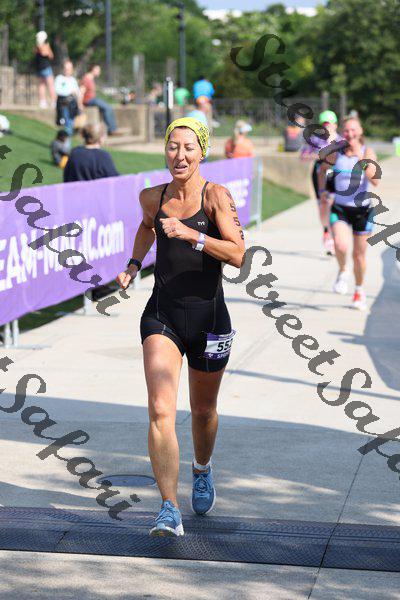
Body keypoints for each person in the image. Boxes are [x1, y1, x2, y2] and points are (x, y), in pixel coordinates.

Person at [115, 117, 245, 537]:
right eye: (173, 146)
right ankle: (169, 508)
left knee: (203, 411)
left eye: (189, 147)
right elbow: (146, 227)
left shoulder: (216, 196)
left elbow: (238, 255)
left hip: (209, 318)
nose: (180, 155)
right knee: (160, 409)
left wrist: (192, 235)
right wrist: (133, 264)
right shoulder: (152, 197)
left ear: (202, 151)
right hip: (163, 315)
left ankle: (202, 468)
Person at [318, 116, 380, 310]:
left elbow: (375, 181)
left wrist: (360, 157)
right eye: (347, 130)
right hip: (340, 208)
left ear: (360, 131)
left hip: (363, 211)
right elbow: (321, 169)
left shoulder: (367, 151)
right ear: (342, 132)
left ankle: (359, 290)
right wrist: (323, 191)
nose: (350, 134)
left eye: (354, 130)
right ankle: (343, 270)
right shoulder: (336, 152)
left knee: (359, 256)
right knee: (340, 245)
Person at [301, 110, 342, 255]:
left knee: (334, 204)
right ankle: (326, 230)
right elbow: (303, 156)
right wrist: (319, 155)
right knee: (323, 204)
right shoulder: (316, 140)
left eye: (329, 124)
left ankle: (333, 235)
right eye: (324, 124)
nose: (327, 127)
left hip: (336, 174)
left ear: (335, 125)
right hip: (319, 174)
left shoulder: (341, 140)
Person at [80, 64, 119, 136]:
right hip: (89, 100)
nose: (99, 71)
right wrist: (80, 104)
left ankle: (112, 128)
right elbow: (81, 91)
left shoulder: (91, 79)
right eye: (98, 69)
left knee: (109, 107)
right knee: (107, 108)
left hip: (92, 99)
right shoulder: (86, 78)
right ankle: (111, 130)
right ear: (93, 69)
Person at [54, 59, 82, 137]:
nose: (67, 71)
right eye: (66, 69)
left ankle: (67, 140)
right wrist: (70, 92)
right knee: (66, 123)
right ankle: (66, 140)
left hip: (72, 105)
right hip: (63, 103)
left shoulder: (73, 80)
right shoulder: (59, 78)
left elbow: (78, 93)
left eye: (69, 69)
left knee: (70, 122)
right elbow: (57, 91)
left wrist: (80, 104)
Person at [34, 31, 56, 109]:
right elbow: (49, 55)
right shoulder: (43, 46)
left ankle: (42, 102)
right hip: (45, 68)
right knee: (50, 85)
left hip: (40, 68)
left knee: (42, 85)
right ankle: (53, 101)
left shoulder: (37, 47)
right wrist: (48, 47)